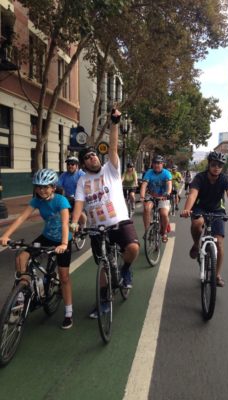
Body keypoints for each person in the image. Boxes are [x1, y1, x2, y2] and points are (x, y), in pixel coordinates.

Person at [70, 108, 140, 319]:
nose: (93, 159)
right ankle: (103, 300)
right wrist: (74, 223)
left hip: (119, 222)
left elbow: (113, 148)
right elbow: (80, 203)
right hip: (96, 228)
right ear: (83, 164)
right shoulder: (83, 180)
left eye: (94, 155)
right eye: (88, 158)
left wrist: (115, 123)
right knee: (103, 266)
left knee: (133, 248)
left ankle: (126, 268)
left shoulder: (110, 169)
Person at [0, 169, 74, 329]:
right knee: (21, 257)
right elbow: (21, 218)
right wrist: (6, 235)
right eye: (39, 187)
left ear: (53, 187)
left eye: (45, 187)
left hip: (63, 240)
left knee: (64, 277)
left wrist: (63, 244)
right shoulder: (37, 201)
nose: (41, 190)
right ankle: (21, 293)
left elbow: (64, 223)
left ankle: (68, 312)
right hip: (46, 237)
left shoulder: (61, 201)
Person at [180, 151, 228, 287]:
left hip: (217, 210)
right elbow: (192, 195)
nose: (217, 167)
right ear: (209, 165)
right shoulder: (200, 178)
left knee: (219, 243)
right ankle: (196, 244)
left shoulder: (225, 179)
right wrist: (187, 209)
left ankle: (217, 275)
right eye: (214, 164)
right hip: (200, 208)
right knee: (198, 223)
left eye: (220, 165)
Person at [139, 155, 172, 243]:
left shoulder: (166, 173)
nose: (157, 165)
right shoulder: (149, 172)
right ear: (152, 164)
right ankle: (147, 231)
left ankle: (164, 232)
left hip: (163, 196)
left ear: (162, 164)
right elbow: (144, 185)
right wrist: (142, 196)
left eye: (159, 163)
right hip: (151, 196)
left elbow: (169, 185)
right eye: (155, 163)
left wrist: (167, 193)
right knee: (146, 208)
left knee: (164, 214)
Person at [57, 156, 86, 227]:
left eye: (72, 164)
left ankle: (83, 226)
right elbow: (58, 185)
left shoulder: (81, 174)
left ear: (77, 166)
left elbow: (86, 186)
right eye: (68, 164)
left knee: (80, 213)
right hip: (67, 198)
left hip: (80, 199)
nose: (70, 166)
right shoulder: (63, 175)